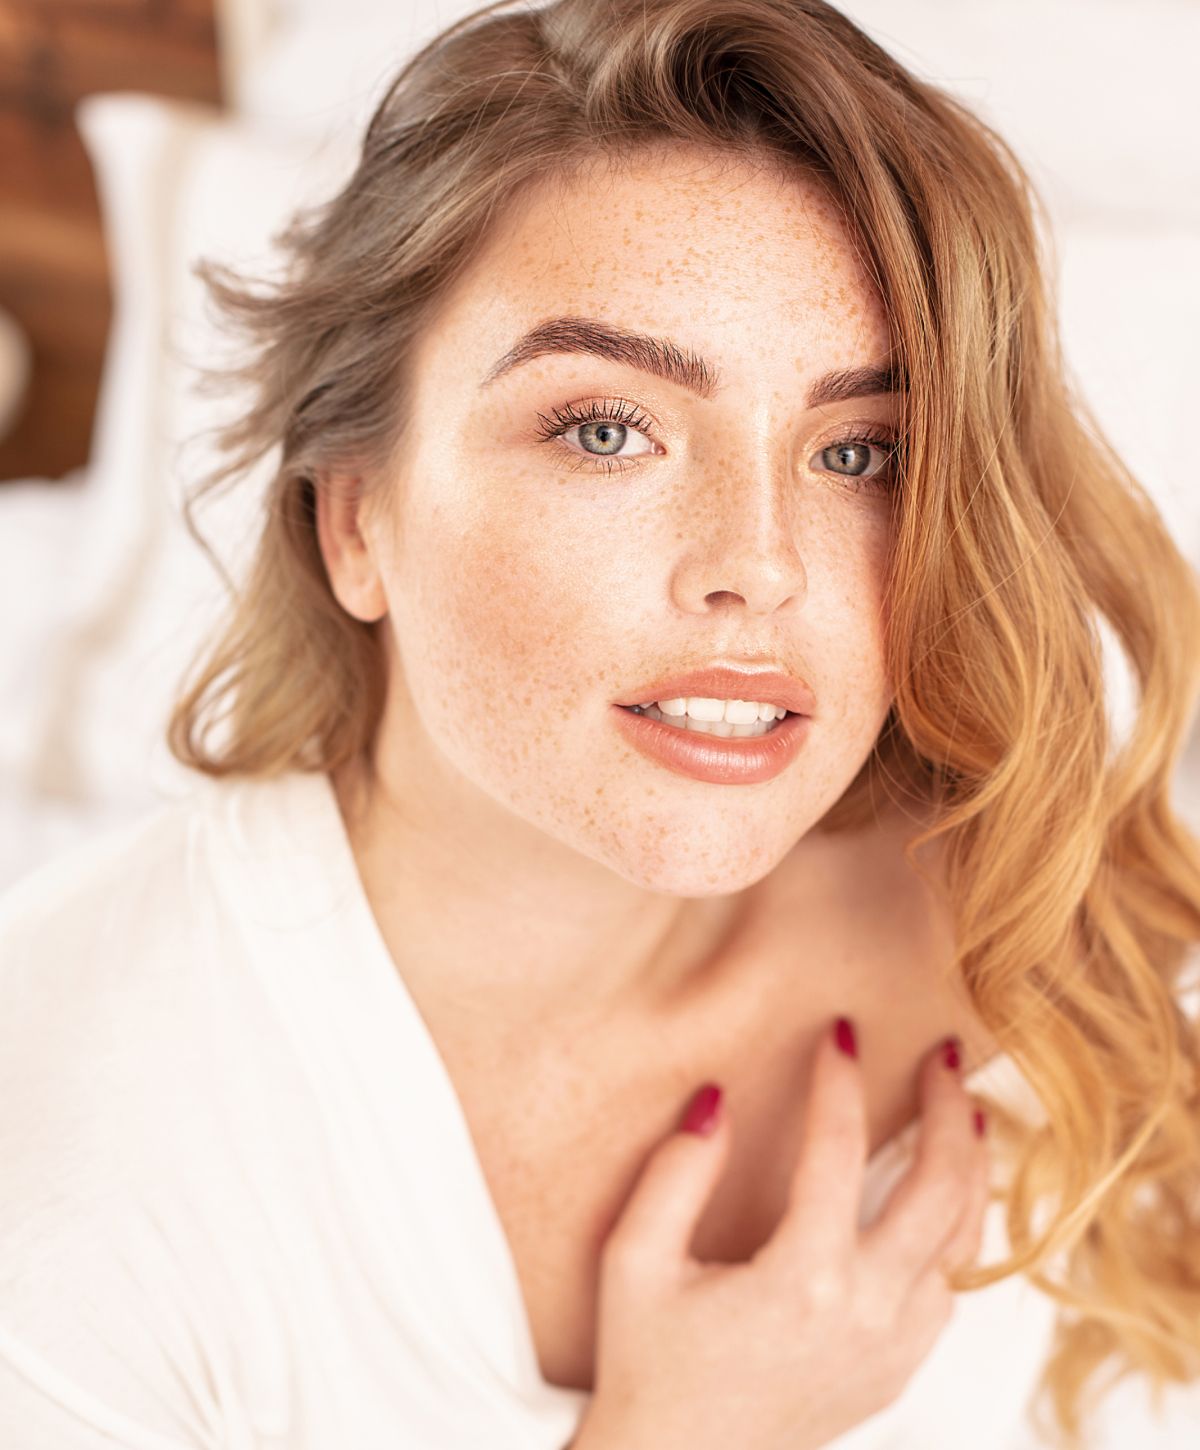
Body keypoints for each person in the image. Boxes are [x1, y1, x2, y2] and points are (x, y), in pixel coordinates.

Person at [3, 1, 1200, 1446]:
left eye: (858, 450)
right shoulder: (62, 1133)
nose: (760, 562)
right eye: (606, 428)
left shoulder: (1064, 901)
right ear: (354, 517)